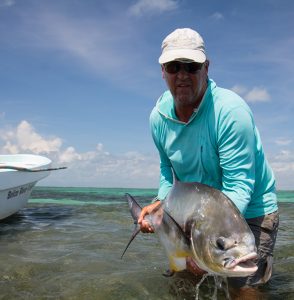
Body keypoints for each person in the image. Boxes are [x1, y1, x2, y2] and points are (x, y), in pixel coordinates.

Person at [138, 28, 279, 288]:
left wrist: (205, 242)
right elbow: (167, 170)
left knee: (243, 285)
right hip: (199, 214)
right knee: (183, 279)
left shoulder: (230, 112)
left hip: (252, 209)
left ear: (206, 67)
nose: (182, 75)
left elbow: (239, 185)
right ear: (162, 71)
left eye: (191, 66)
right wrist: (160, 202)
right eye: (173, 67)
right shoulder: (157, 119)